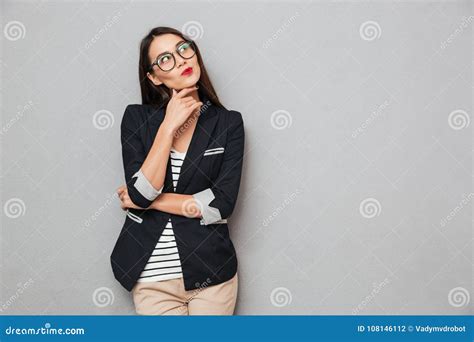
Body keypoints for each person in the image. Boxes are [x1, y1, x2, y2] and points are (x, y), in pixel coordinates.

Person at [110, 26, 245, 315]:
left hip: (212, 275)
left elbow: (221, 205)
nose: (181, 60)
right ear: (154, 76)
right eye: (165, 59)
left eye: (183, 49)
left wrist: (148, 202)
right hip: (150, 277)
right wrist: (168, 126)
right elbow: (141, 191)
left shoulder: (228, 124)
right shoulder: (136, 119)